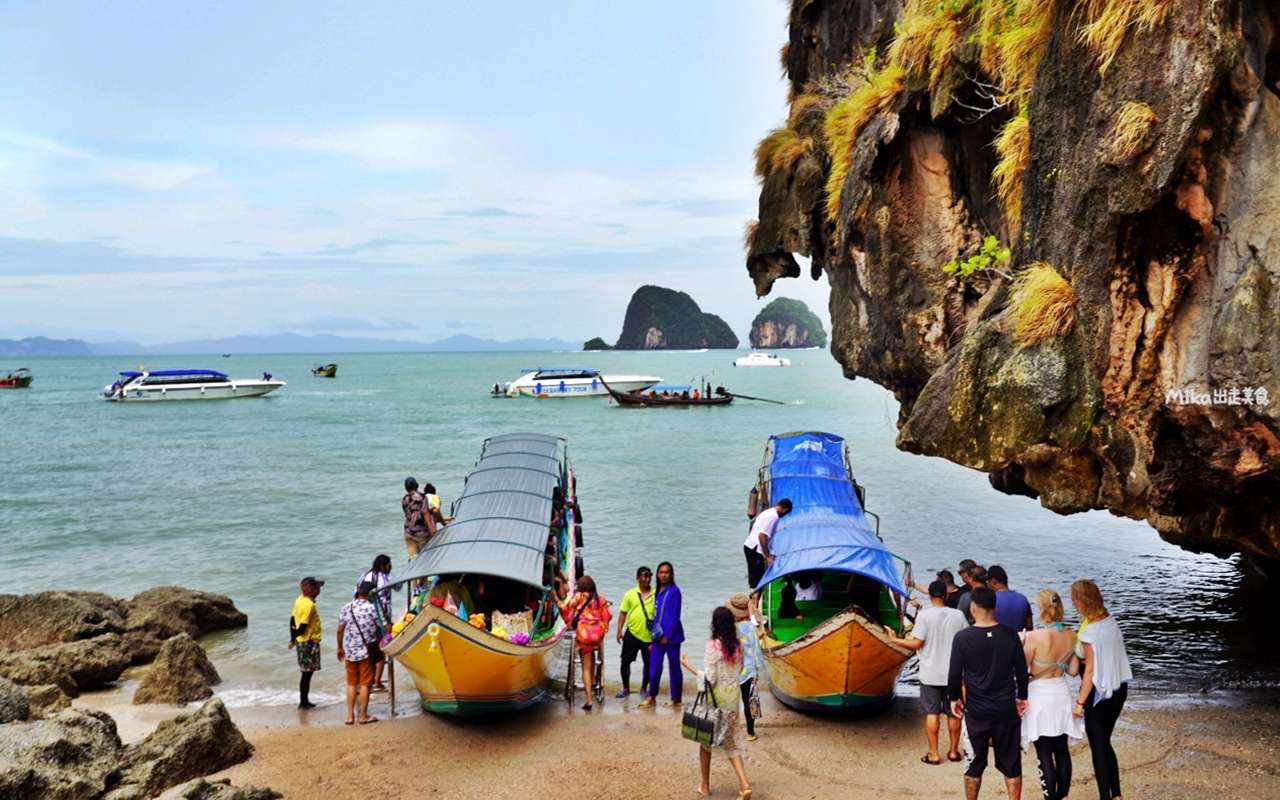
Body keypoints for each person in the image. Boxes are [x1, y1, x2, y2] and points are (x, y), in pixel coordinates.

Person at [948, 587, 1029, 800]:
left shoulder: (963, 638)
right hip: (1005, 710)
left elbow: (954, 673)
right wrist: (1023, 697)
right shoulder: (1010, 635)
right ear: (996, 607)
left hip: (976, 711)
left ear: (972, 608)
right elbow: (1022, 672)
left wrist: (953, 698)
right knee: (1012, 764)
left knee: (973, 764)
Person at [885, 580, 968, 764]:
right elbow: (967, 642)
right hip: (953, 673)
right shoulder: (958, 615)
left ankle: (934, 753)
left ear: (929, 595)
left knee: (932, 712)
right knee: (954, 713)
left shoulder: (924, 616)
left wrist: (894, 640)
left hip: (930, 672)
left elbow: (916, 644)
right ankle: (954, 752)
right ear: (946, 595)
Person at [680, 607, 752, 800]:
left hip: (715, 702)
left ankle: (705, 786)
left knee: (705, 743)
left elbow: (709, 680)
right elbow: (741, 669)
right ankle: (744, 784)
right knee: (731, 743)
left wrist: (689, 667)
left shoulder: (713, 646)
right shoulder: (739, 645)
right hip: (733, 701)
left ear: (715, 624)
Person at [1071, 580, 1133, 800]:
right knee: (1105, 742)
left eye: (1074, 599)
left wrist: (1079, 702)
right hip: (1119, 688)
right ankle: (1116, 795)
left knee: (1098, 747)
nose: (1072, 602)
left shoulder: (1091, 633)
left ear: (1083, 601)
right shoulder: (1108, 620)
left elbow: (1090, 673)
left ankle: (1106, 797)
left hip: (1099, 695)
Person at [1022, 589, 1084, 800]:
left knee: (1044, 752)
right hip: (1061, 692)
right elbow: (1074, 671)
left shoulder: (1034, 637)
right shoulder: (1070, 635)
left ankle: (1050, 798)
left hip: (1040, 694)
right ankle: (1063, 796)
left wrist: (1022, 641)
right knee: (1061, 749)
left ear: (1041, 610)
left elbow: (1022, 669)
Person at [557, 575, 613, 711]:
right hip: (596, 634)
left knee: (585, 667)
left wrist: (556, 600)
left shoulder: (578, 597)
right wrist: (601, 632)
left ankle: (589, 701)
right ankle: (594, 681)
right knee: (592, 653)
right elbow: (607, 616)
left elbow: (566, 610)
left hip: (584, 634)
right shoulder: (600, 598)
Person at [336, 581, 383, 725]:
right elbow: (384, 628)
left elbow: (340, 630)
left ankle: (350, 716)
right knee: (365, 684)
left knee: (351, 684)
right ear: (371, 594)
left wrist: (339, 648)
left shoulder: (347, 607)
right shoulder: (373, 608)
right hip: (366, 652)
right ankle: (363, 716)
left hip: (350, 651)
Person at [639, 561, 684, 708]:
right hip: (658, 637)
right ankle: (652, 697)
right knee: (654, 667)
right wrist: (656, 637)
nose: (663, 575)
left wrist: (668, 635)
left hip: (671, 637)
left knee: (674, 667)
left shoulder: (674, 591)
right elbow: (658, 615)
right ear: (657, 574)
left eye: (666, 572)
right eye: (661, 572)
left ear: (671, 575)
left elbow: (675, 615)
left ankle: (676, 699)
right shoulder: (658, 591)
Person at [352, 555, 394, 692]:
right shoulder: (387, 578)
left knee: (366, 647)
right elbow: (399, 586)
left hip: (361, 617)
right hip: (380, 619)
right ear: (383, 566)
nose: (391, 567)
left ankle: (362, 681)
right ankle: (376, 682)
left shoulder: (363, 576)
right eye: (389, 565)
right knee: (381, 649)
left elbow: (355, 595)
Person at [727, 593, 764, 741]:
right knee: (750, 701)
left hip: (732, 670)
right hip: (749, 670)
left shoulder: (728, 628)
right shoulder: (751, 627)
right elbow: (756, 650)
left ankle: (729, 731)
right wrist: (759, 669)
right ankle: (750, 732)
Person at [616, 566, 655, 698]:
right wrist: (619, 631)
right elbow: (623, 613)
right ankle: (625, 688)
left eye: (649, 576)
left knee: (649, 664)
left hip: (649, 636)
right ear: (637, 578)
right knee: (625, 662)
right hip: (631, 633)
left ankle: (643, 688)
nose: (647, 579)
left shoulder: (656, 594)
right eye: (645, 576)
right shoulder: (630, 594)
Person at [287, 576, 324, 710]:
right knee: (307, 674)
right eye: (317, 587)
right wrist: (295, 637)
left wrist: (293, 638)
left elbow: (292, 620)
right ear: (311, 590)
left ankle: (304, 701)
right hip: (308, 642)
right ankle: (303, 703)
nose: (319, 589)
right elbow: (302, 626)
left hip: (302, 641)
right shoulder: (309, 605)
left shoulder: (299, 600)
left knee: (306, 673)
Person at [743, 499, 792, 592]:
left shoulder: (768, 512)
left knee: (754, 574)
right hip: (755, 548)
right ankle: (753, 601)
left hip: (749, 545)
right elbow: (762, 535)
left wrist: (767, 554)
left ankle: (753, 597)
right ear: (785, 510)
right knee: (757, 578)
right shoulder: (774, 517)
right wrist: (767, 556)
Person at [988, 565, 1034, 632]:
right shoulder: (1023, 599)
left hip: (997, 641)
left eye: (988, 582)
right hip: (1019, 640)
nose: (987, 585)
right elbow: (1029, 628)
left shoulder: (991, 599)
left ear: (993, 581)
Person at [402, 477, 435, 559]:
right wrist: (431, 528)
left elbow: (411, 514)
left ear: (405, 488)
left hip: (408, 533)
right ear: (417, 485)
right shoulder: (422, 497)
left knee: (413, 559)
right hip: (421, 533)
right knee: (425, 559)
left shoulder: (404, 499)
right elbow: (424, 514)